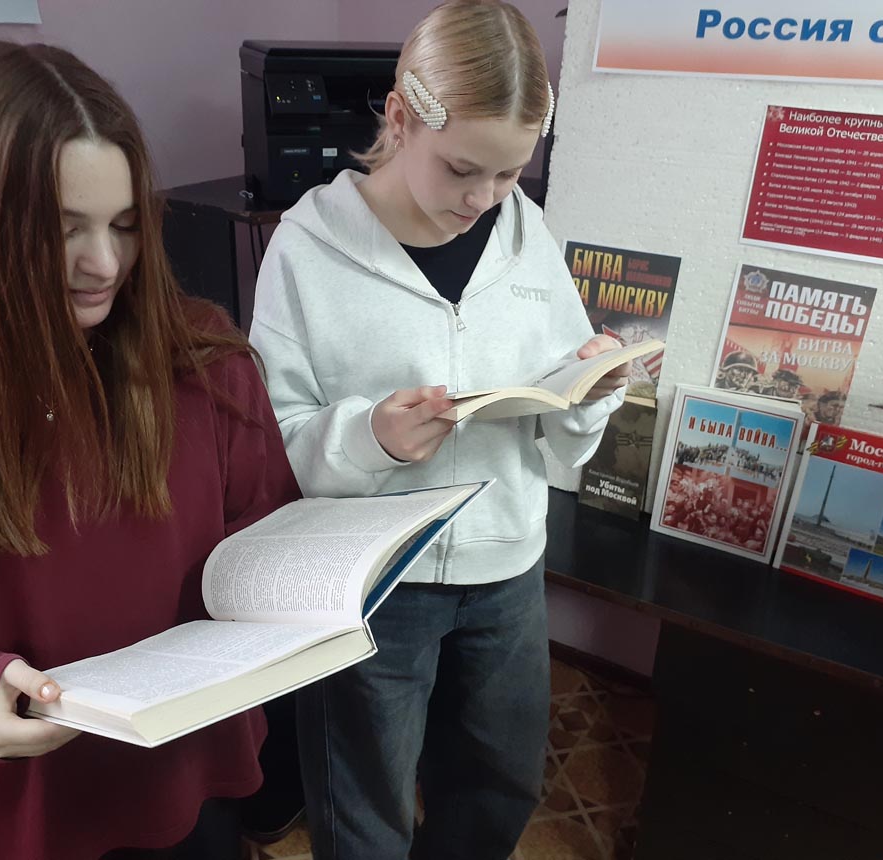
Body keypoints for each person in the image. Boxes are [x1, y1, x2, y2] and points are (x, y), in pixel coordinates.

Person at [0, 42, 301, 860]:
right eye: (63, 232)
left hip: (188, 781)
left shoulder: (208, 363)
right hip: (25, 812)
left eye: (125, 226)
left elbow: (264, 531)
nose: (104, 264)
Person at [247, 3, 630, 857]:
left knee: (499, 785)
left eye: (509, 174)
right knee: (364, 804)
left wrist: (589, 391)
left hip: (507, 570)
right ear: (399, 117)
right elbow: (271, 448)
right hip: (374, 580)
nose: (482, 199)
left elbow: (564, 445)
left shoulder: (527, 235)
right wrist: (371, 439)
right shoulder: (306, 248)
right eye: (461, 169)